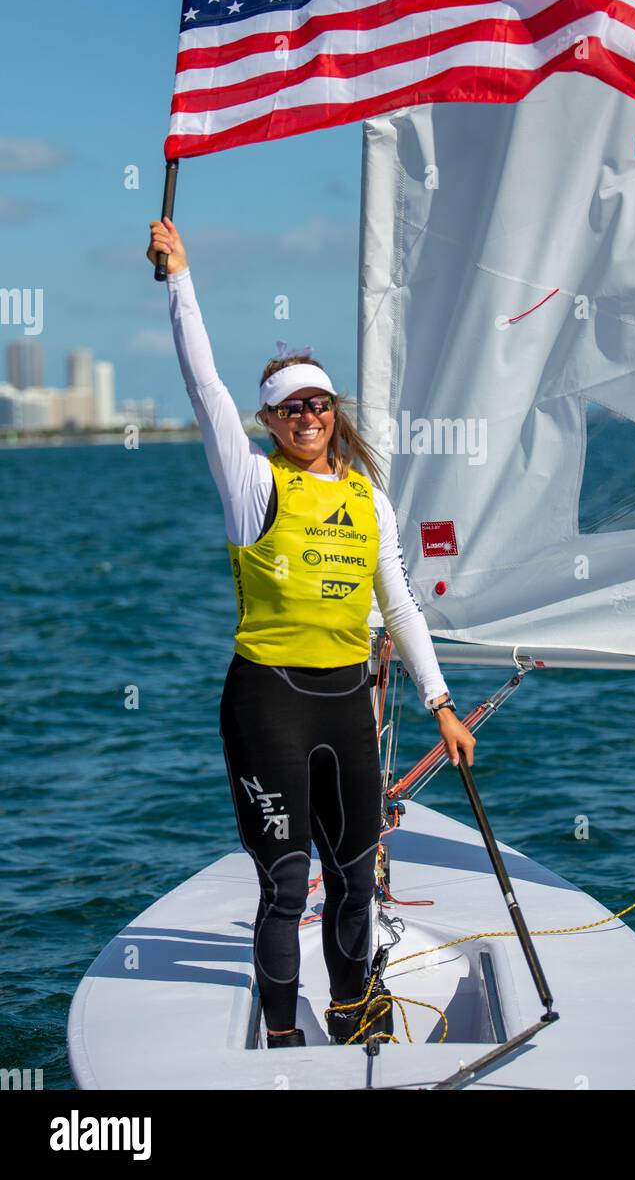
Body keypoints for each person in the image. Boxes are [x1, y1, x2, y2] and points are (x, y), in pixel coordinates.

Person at [146, 215, 476, 1048]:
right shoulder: (253, 485)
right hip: (268, 703)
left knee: (355, 879)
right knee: (288, 882)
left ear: (334, 410)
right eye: (291, 407)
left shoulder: (369, 497)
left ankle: (352, 1016)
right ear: (270, 419)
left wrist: (440, 703)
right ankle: (285, 1041)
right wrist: (182, 278)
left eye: (319, 403)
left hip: (344, 705)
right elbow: (204, 388)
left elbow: (398, 609)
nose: (308, 417)